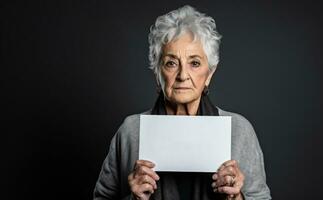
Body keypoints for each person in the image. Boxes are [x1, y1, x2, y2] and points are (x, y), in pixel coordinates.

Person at [93, 5, 271, 200]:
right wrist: (134, 199)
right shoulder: (131, 131)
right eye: (171, 63)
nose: (183, 75)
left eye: (194, 63)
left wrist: (237, 198)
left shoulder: (239, 130)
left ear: (209, 73)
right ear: (157, 73)